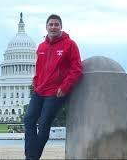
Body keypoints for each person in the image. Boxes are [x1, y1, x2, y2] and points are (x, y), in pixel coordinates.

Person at [24, 14, 83, 159]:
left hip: (56, 92)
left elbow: (77, 69)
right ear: (46, 27)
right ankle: (31, 156)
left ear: (61, 27)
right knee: (28, 120)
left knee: (44, 124)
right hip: (40, 91)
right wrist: (36, 84)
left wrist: (64, 87)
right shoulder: (41, 46)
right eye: (51, 24)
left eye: (56, 24)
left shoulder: (70, 44)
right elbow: (38, 69)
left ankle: (31, 158)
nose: (53, 27)